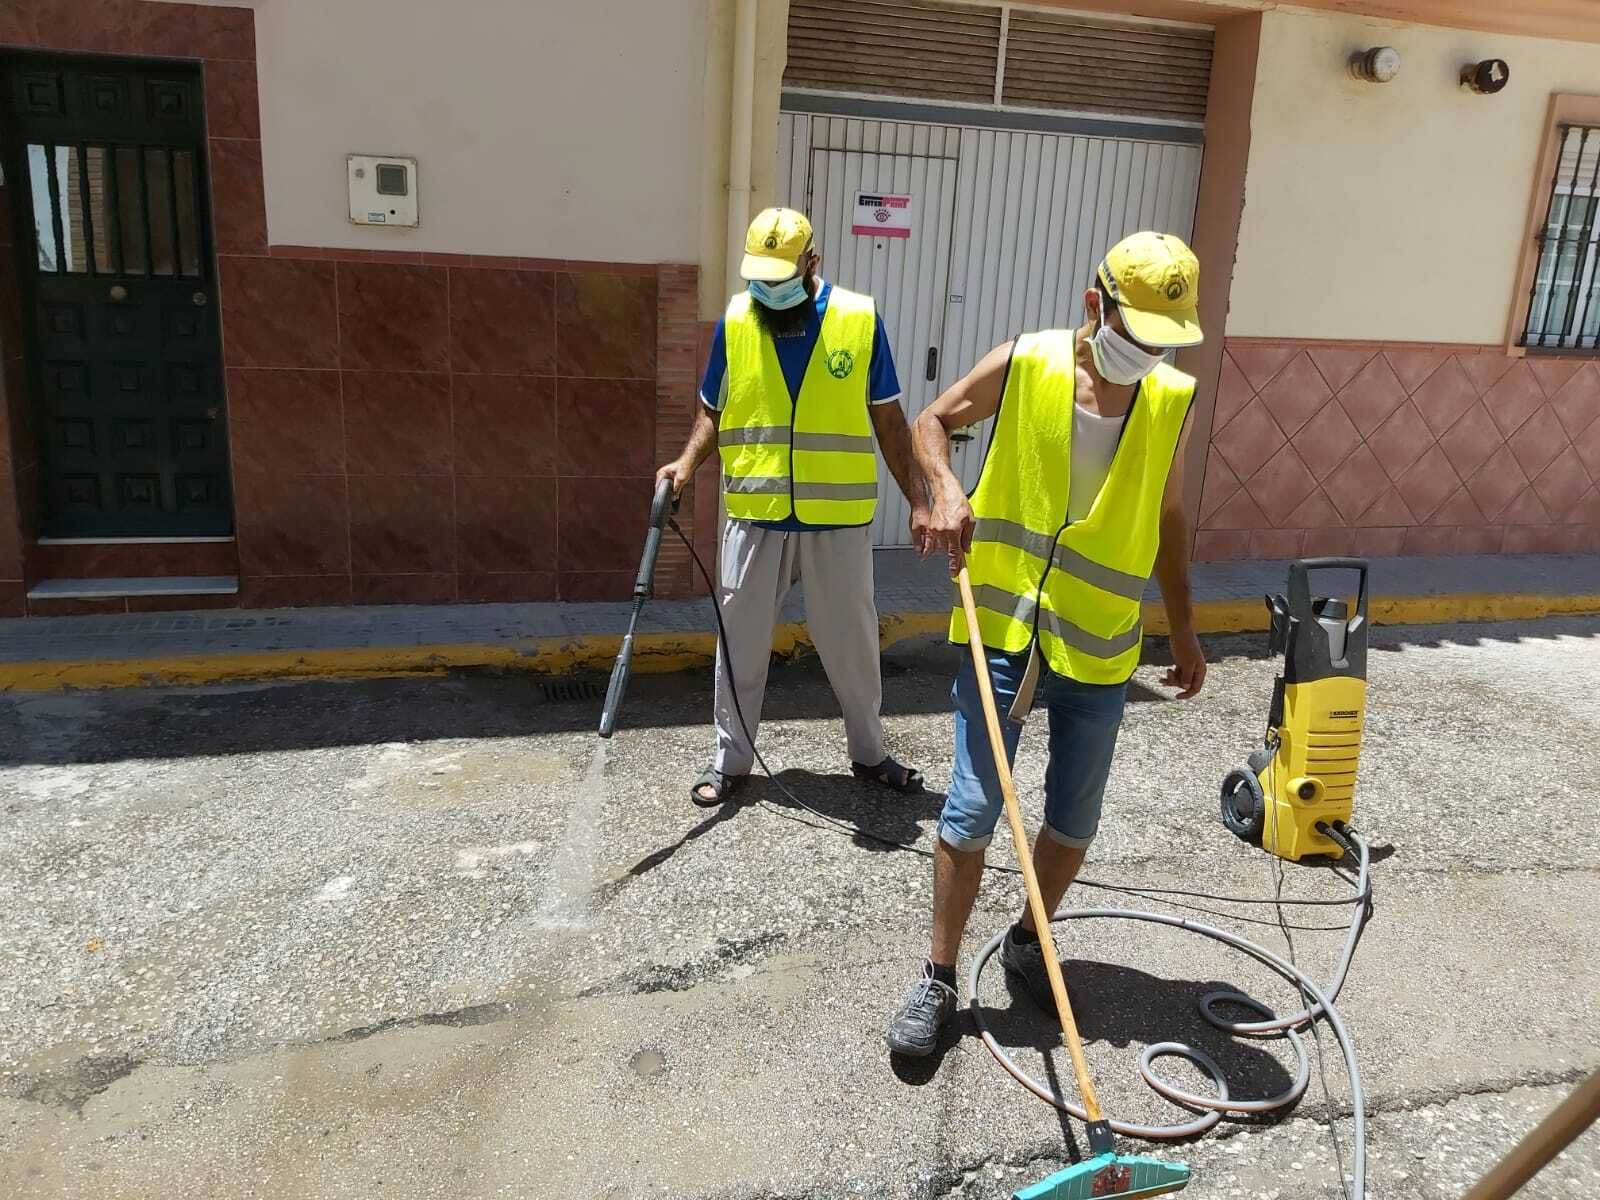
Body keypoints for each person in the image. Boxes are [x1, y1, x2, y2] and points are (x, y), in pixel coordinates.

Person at [884, 231, 1210, 1057]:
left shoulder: (1169, 399)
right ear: (1094, 304)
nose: (1150, 353)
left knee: (1075, 817)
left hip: (1099, 645)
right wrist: (946, 488)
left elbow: (1168, 518)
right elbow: (932, 420)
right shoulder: (1026, 361)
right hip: (1004, 630)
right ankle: (938, 978)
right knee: (971, 807)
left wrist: (1185, 627)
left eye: (1166, 339)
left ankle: (1030, 940)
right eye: (1137, 332)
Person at [656, 207, 928, 807]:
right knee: (741, 644)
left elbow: (888, 417)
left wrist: (921, 503)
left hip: (838, 518)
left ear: (813, 264)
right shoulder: (735, 319)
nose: (767, 288)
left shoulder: (859, 318)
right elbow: (713, 408)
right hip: (755, 515)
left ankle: (869, 752)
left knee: (852, 644)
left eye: (780, 276)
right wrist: (685, 464)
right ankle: (732, 761)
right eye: (759, 276)